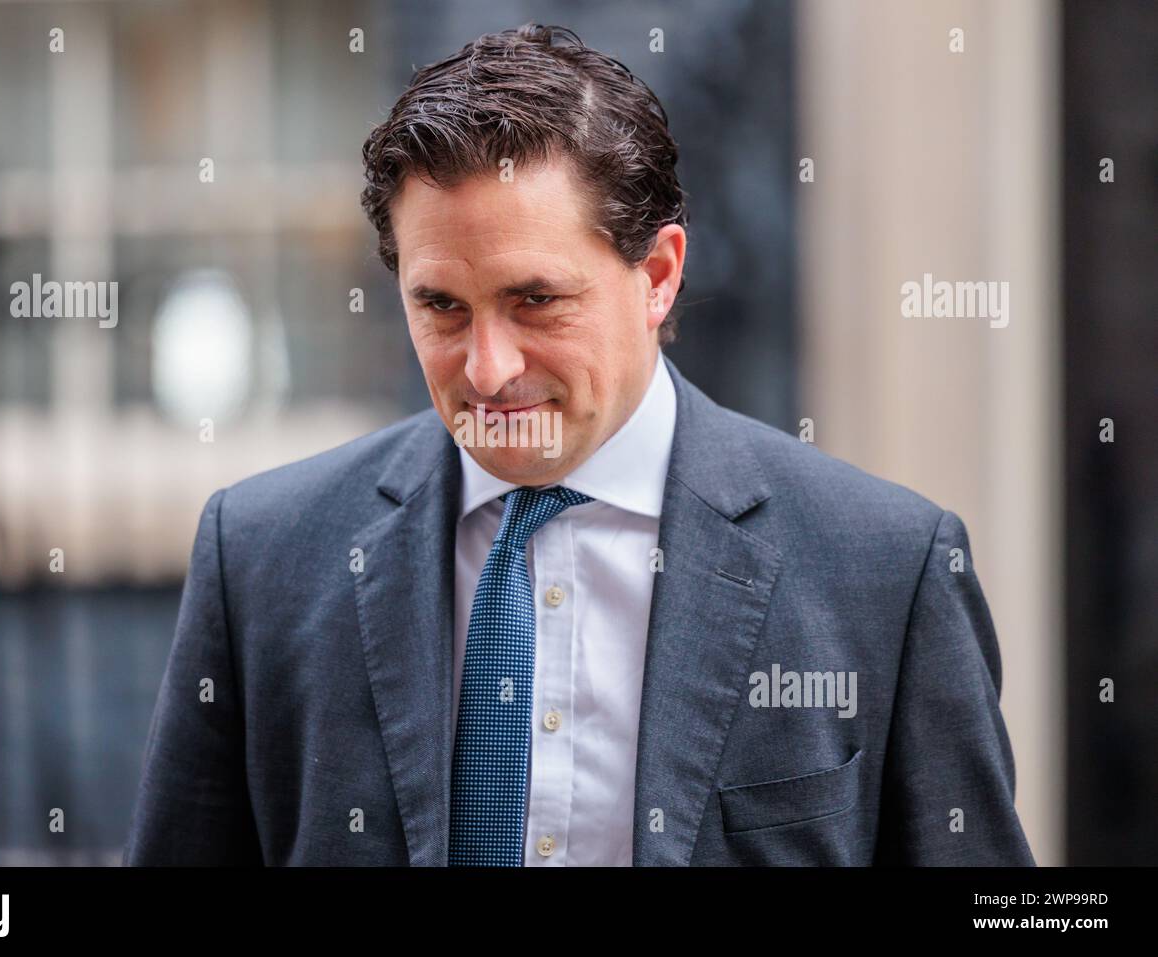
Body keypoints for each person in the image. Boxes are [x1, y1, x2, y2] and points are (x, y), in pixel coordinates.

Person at [124, 23, 1034, 866]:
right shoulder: (261, 556)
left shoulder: (885, 571)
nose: (486, 368)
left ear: (659, 276)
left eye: (535, 300)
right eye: (441, 306)